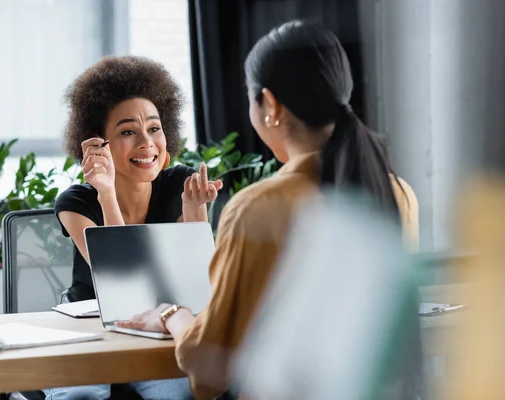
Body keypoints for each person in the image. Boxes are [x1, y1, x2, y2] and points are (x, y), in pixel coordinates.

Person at [114, 19, 420, 399]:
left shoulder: (260, 207)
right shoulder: (400, 194)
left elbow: (209, 367)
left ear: (270, 104)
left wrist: (170, 315)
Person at [46, 56, 221, 400]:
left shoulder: (179, 185)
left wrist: (194, 209)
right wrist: (106, 192)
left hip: (160, 332)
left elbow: (200, 283)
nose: (147, 143)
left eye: (154, 128)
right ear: (97, 144)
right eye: (128, 132)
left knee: (188, 394)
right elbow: (124, 279)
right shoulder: (75, 203)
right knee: (79, 397)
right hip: (91, 336)